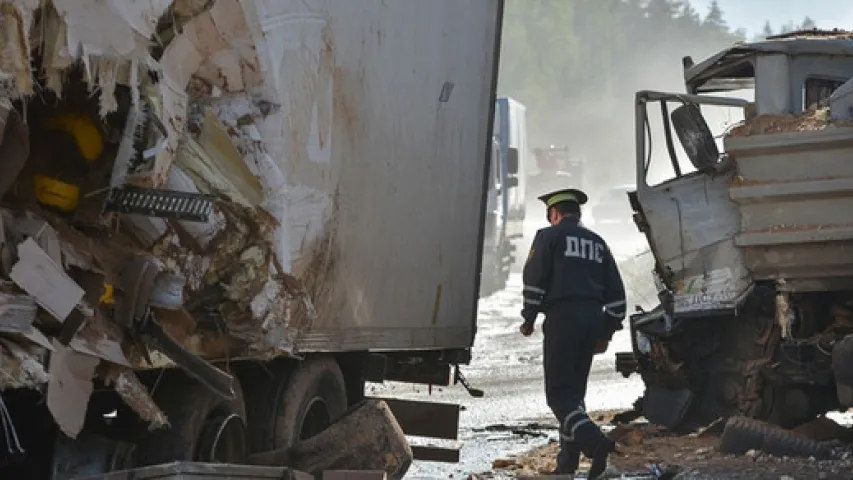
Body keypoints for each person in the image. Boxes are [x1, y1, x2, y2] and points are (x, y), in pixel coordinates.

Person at [520, 188, 627, 478]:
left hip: (563, 319)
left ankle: (595, 443)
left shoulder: (548, 236)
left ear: (554, 214)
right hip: (593, 320)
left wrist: (528, 318)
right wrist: (605, 331)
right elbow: (617, 297)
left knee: (558, 396)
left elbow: (534, 279)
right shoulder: (598, 243)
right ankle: (566, 465)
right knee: (574, 397)